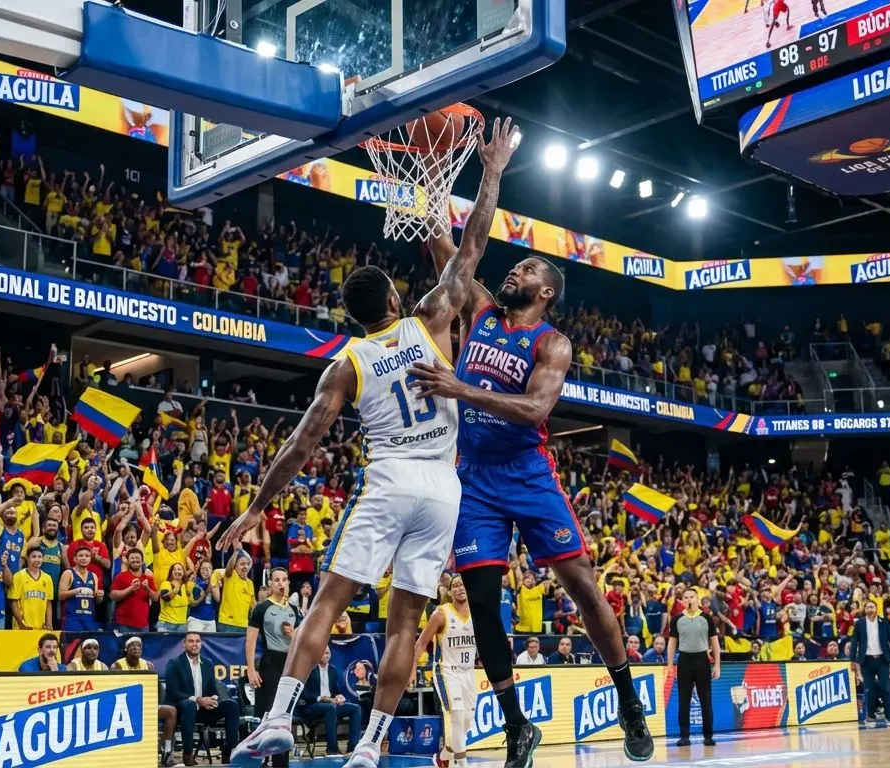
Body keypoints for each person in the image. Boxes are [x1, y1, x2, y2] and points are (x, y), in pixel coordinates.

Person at [220, 118, 520, 768]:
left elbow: (300, 447)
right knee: (405, 625)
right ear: (392, 295)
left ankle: (276, 720)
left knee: (329, 600)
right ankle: (368, 748)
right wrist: (491, 171)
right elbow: (470, 247)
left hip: (389, 482)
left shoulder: (348, 361)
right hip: (444, 489)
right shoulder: (433, 317)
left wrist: (255, 508)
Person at [412, 139, 652, 768]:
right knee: (482, 602)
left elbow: (536, 411)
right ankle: (516, 723)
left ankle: (628, 696)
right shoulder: (483, 312)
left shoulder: (554, 343)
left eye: (531, 270)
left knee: (580, 583)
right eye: (517, 266)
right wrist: (438, 180)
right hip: (474, 480)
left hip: (526, 471)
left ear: (548, 293)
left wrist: (461, 387)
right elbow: (453, 247)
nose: (518, 270)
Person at [414, 574, 475, 768]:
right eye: (455, 585)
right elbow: (421, 643)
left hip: (469, 672)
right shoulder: (441, 613)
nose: (460, 588)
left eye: (463, 585)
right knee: (457, 719)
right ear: (449, 591)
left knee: (467, 723)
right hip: (446, 671)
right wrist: (412, 669)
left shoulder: (477, 613)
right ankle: (462, 763)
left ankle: (445, 754)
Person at [244, 568, 301, 767]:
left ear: (288, 583)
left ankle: (281, 762)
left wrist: (293, 634)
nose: (281, 584)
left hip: (290, 665)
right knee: (267, 714)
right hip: (270, 663)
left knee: (285, 716)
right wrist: (251, 669)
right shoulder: (262, 608)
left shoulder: (294, 610)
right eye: (277, 580)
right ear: (271, 584)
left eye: (284, 580)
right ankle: (258, 760)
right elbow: (250, 640)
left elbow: (301, 641)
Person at [160, 632, 240, 767]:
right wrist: (198, 700)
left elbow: (212, 688)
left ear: (201, 644)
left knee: (231, 705)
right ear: (184, 644)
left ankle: (229, 749)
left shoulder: (207, 663)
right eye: (191, 641)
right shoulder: (174, 663)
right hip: (181, 710)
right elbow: (173, 692)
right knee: (190, 705)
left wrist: (212, 700)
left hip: (203, 710)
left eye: (197, 641)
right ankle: (187, 754)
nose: (194, 644)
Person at [666, 587, 721, 746]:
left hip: (702, 660)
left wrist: (717, 664)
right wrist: (670, 665)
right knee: (684, 701)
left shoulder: (706, 618)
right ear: (682, 601)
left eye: (691, 597)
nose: (689, 600)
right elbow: (672, 644)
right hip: (684, 661)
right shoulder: (676, 619)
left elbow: (715, 643)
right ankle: (684, 736)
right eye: (686, 597)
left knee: (706, 700)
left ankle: (708, 736)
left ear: (697, 599)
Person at [302, 647, 364, 755]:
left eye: (328, 653)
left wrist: (339, 697)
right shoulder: (309, 669)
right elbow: (303, 694)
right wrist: (320, 698)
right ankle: (332, 749)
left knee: (355, 708)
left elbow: (335, 691)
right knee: (330, 708)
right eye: (324, 653)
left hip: (331, 705)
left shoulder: (333, 670)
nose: (326, 656)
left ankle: (352, 747)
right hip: (313, 706)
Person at [850, 599, 890, 723]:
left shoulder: (884, 622)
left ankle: (889, 715)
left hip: (882, 659)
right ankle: (871, 715)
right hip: (866, 661)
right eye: (868, 607)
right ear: (864, 609)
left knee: (885, 688)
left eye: (872, 607)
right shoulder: (859, 623)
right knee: (869, 689)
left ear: (876, 609)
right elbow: (854, 641)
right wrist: (853, 659)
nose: (870, 609)